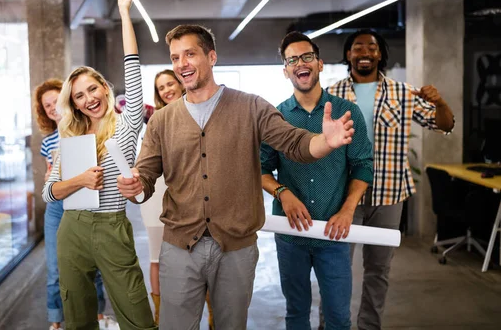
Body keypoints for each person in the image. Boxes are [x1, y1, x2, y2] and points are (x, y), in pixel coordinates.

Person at [117, 24, 356, 330]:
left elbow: (294, 143)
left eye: (190, 54)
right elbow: (145, 177)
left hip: (236, 249)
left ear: (212, 56)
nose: (181, 64)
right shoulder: (162, 121)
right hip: (179, 248)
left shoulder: (251, 107)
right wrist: (134, 186)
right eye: (175, 57)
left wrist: (325, 142)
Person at [42, 0, 156, 330]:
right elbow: (50, 192)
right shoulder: (71, 137)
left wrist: (124, 13)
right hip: (71, 229)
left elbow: (133, 70)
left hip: (111, 225)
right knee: (77, 314)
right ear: (74, 104)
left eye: (93, 89)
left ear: (105, 88)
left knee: (135, 311)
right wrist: (79, 180)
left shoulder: (126, 124)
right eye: (79, 96)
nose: (89, 98)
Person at [326, 29, 455, 330]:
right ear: (349, 55)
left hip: (390, 195)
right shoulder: (331, 95)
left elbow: (444, 126)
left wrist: (440, 103)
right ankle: (332, 324)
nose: (365, 53)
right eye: (358, 47)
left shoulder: (403, 93)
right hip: (343, 198)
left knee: (378, 270)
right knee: (335, 269)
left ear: (380, 54)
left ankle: (369, 326)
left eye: (372, 48)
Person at [260, 32, 373, 330]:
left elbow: (363, 166)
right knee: (296, 314)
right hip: (290, 235)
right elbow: (259, 170)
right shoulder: (276, 117)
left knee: (338, 317)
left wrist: (348, 210)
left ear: (320, 64)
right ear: (286, 71)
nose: (301, 62)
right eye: (292, 59)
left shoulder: (348, 113)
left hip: (333, 235)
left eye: (307, 56)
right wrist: (282, 193)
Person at [34, 79, 119, 330]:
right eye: (46, 105)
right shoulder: (48, 140)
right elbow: (50, 175)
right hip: (57, 206)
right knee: (54, 269)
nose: (52, 108)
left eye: (54, 101)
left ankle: (99, 315)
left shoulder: (85, 130)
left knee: (92, 266)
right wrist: (50, 177)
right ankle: (55, 322)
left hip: (84, 201)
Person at [141, 69, 215, 328]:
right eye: (160, 87)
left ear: (180, 83)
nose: (166, 90)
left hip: (192, 196)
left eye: (169, 83)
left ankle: (213, 316)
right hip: (157, 196)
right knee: (156, 256)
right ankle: (161, 316)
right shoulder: (157, 121)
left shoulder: (200, 113)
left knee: (201, 255)